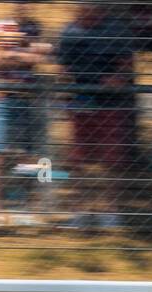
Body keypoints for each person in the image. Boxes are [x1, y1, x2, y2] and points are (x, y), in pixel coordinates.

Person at [57, 2, 138, 230]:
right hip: (80, 104)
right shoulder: (69, 32)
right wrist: (65, 87)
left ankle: (110, 213)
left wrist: (117, 78)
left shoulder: (116, 30)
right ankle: (80, 212)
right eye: (82, 10)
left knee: (110, 162)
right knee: (78, 162)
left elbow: (127, 64)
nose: (87, 14)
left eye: (92, 10)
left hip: (109, 105)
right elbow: (62, 68)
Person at [0, 1, 49, 225]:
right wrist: (23, 54)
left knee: (27, 156)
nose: (23, 6)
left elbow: (41, 57)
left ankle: (22, 209)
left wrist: (7, 54)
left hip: (27, 99)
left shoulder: (36, 28)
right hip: (1, 98)